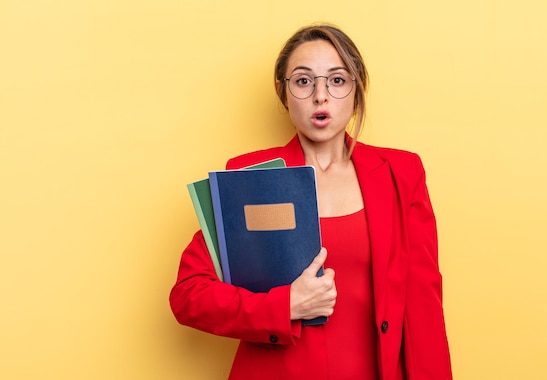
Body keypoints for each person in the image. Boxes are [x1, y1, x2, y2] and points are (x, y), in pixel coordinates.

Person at [170, 23, 452, 380]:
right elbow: (189, 295)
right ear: (283, 92)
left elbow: (424, 307)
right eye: (303, 81)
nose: (321, 96)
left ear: (357, 89)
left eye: (336, 80)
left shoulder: (401, 173)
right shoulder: (248, 176)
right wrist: (282, 306)